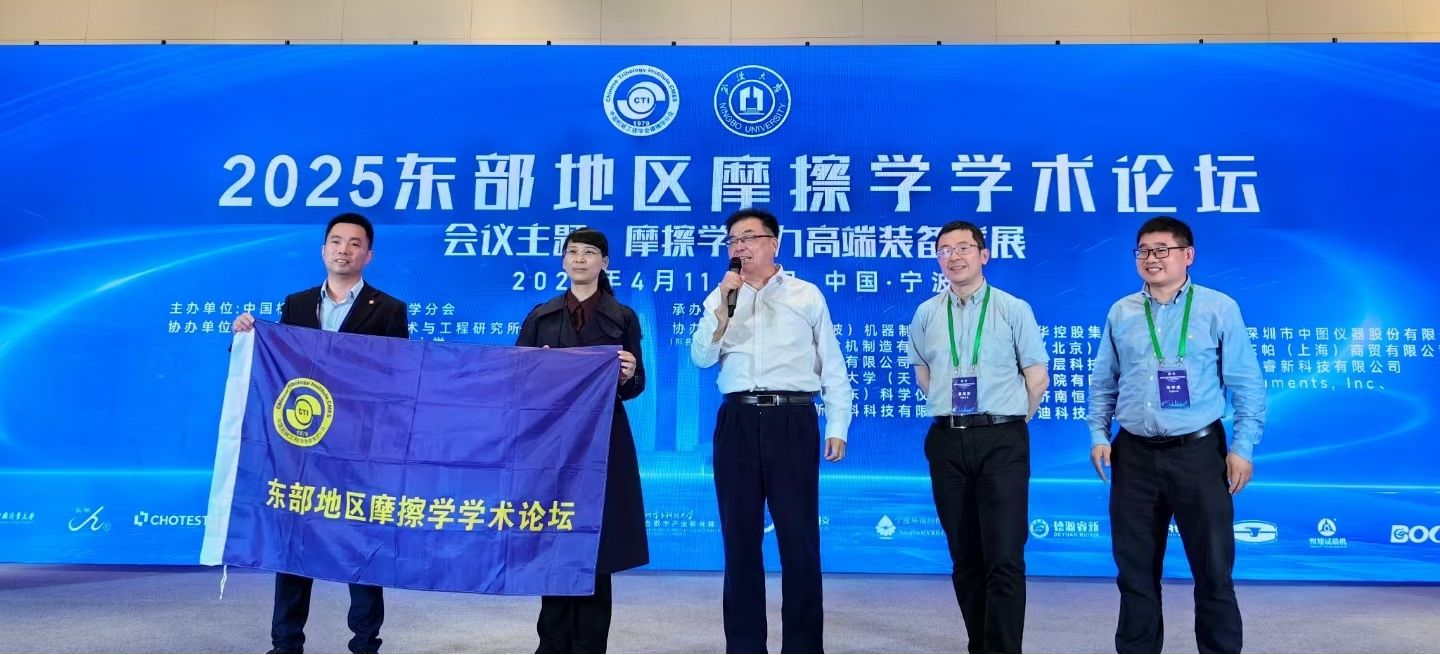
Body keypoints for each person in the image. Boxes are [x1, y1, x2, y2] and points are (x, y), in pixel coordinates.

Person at [1086, 216, 1267, 654]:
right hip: (1134, 455)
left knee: (1213, 571)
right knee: (1134, 574)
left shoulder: (1218, 307)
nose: (1152, 259)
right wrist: (1099, 434)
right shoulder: (1122, 311)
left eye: (1161, 250)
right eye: (1143, 251)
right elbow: (1103, 381)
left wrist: (1242, 448)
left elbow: (1247, 384)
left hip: (1198, 453)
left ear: (1188, 255)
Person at [232, 212, 409, 654]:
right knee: (294, 544)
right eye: (336, 241)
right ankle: (285, 643)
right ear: (323, 249)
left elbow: (401, 378)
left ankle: (365, 643)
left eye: (354, 243)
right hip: (303, 446)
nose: (343, 250)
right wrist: (247, 337)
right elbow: (274, 365)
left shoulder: (389, 309)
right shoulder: (296, 304)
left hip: (359, 450)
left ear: (368, 255)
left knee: (360, 545)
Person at [689, 207, 852, 654]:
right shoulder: (721, 295)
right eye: (733, 241)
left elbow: (832, 363)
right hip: (737, 419)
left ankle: (803, 647)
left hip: (792, 418)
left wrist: (838, 423)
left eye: (749, 238)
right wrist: (723, 310)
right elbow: (701, 357)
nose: (740, 247)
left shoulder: (806, 294)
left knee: (799, 540)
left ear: (773, 243)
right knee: (739, 540)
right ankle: (745, 647)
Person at [905, 220, 1048, 654]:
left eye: (964, 247)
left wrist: (1010, 420)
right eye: (945, 250)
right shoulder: (927, 313)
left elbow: (1037, 377)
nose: (954, 256)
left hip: (1002, 439)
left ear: (983, 255)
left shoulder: (1012, 308)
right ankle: (979, 646)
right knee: (964, 555)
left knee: (1004, 556)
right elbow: (923, 373)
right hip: (948, 440)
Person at [515, 227, 648, 654]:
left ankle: (591, 645)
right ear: (563, 260)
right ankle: (551, 643)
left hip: (602, 441)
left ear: (604, 262)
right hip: (552, 443)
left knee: (596, 545)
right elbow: (517, 381)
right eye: (572, 251)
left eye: (589, 252)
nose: (579, 259)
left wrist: (628, 375)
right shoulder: (541, 316)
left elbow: (636, 384)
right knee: (554, 537)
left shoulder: (622, 317)